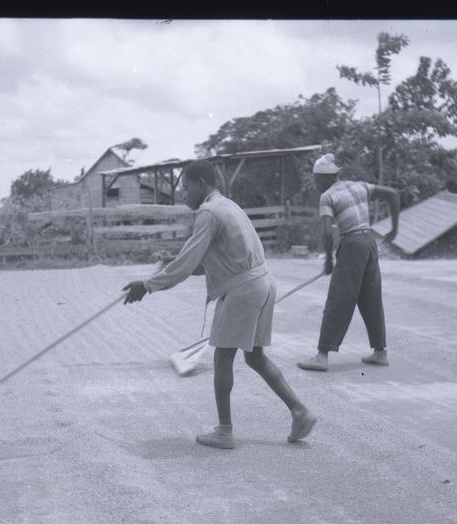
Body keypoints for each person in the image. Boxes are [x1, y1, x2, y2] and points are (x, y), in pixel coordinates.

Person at [122, 159, 316, 449]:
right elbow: (204, 263)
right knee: (255, 357)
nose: (183, 195)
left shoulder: (208, 214)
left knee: (222, 359)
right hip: (262, 282)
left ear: (201, 184)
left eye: (186, 189)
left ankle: (225, 431)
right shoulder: (228, 206)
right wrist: (168, 266)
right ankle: (300, 411)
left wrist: (148, 285)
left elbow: (187, 263)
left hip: (244, 290)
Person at [297, 153, 399, 372]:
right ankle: (381, 352)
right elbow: (393, 194)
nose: (315, 183)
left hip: (352, 244)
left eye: (316, 179)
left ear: (324, 178)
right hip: (369, 242)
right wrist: (394, 229)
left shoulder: (327, 196)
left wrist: (328, 260)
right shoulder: (359, 186)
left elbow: (326, 232)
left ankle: (322, 356)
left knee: (338, 299)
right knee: (371, 298)